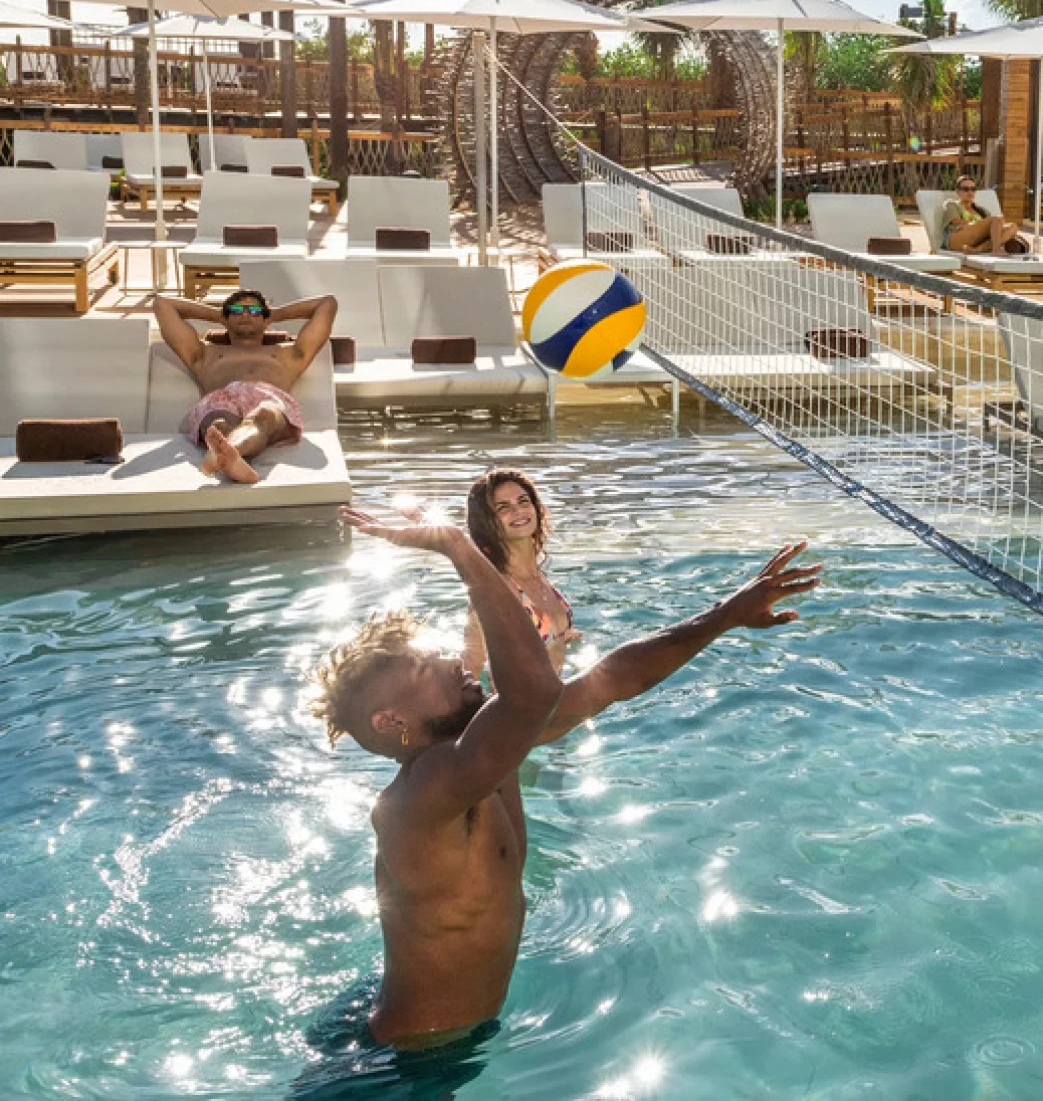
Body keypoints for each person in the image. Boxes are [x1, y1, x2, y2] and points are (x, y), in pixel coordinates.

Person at [312, 507, 821, 1049]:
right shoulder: (422, 796)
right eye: (424, 668)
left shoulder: (487, 749)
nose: (449, 661)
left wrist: (726, 613)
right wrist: (459, 549)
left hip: (414, 1024)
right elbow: (531, 692)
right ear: (391, 722)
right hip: (407, 1062)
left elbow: (613, 678)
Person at [151, 287, 337, 485]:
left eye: (254, 311)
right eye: (237, 310)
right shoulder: (204, 353)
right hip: (220, 399)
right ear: (226, 318)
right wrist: (219, 315)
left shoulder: (289, 353)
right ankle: (230, 458)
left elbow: (327, 303)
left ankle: (226, 453)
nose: (246, 314)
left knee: (262, 416)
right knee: (218, 424)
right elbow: (162, 304)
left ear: (266, 320)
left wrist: (274, 314)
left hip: (269, 400)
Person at [461, 469, 576, 675]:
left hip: (562, 697)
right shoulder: (495, 591)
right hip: (532, 706)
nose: (518, 511)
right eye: (503, 507)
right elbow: (473, 670)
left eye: (524, 501)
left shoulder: (538, 579)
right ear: (487, 522)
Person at [936, 175, 1020, 253]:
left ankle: (977, 249)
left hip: (977, 241)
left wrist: (1000, 230)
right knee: (996, 219)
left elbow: (995, 226)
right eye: (965, 189)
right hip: (956, 239)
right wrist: (980, 225)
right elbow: (956, 222)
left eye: (973, 189)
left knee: (1012, 227)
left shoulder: (981, 210)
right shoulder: (951, 204)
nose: (970, 192)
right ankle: (996, 250)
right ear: (958, 191)